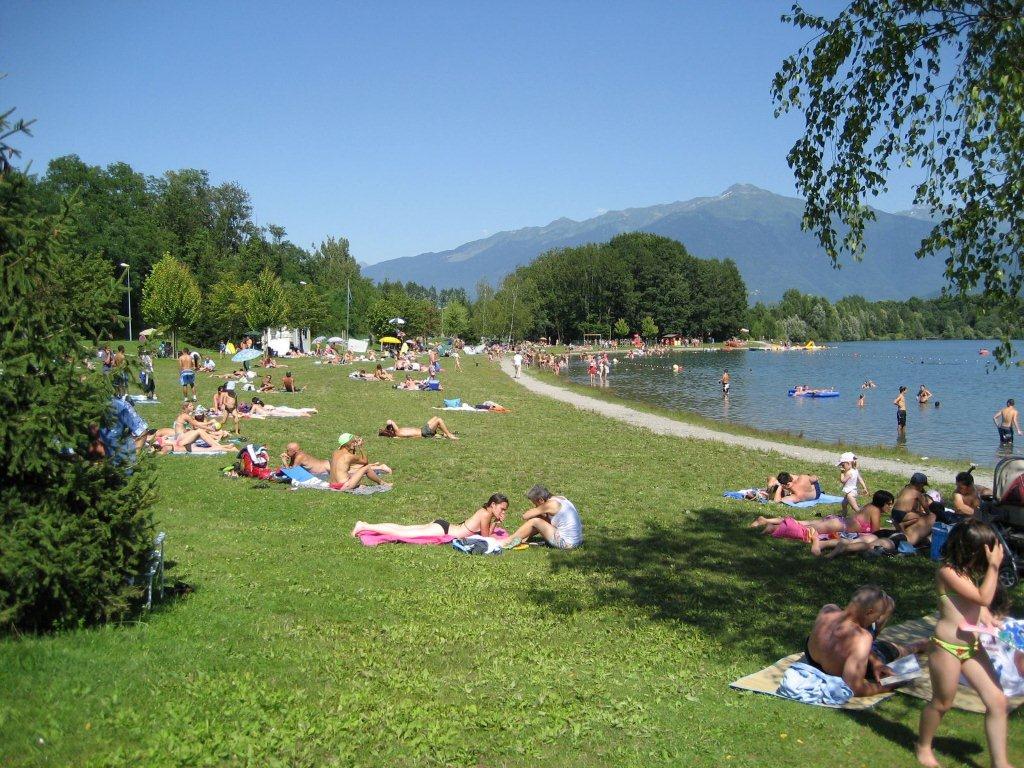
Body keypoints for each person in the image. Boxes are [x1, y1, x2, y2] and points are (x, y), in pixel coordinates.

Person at [916, 520, 1010, 768]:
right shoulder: (947, 571)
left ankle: (1000, 762)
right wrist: (993, 568)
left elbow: (976, 605)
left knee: (998, 701)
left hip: (971, 648)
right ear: (972, 550)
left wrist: (989, 619)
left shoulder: (967, 573)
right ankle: (923, 746)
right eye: (986, 551)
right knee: (942, 702)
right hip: (946, 647)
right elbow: (982, 596)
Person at [804, 585, 923, 697]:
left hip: (813, 659)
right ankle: (920, 645)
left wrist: (876, 663)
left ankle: (881, 656)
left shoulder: (828, 609)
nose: (876, 619)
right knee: (893, 649)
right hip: (838, 668)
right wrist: (889, 685)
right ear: (869, 612)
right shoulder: (863, 637)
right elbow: (854, 687)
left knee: (889, 602)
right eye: (878, 615)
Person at [351, 493, 509, 539]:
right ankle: (364, 526)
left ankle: (366, 524)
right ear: (493, 505)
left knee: (404, 529)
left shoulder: (484, 512)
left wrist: (496, 521)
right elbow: (486, 536)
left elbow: (483, 532)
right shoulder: (486, 515)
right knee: (402, 533)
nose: (503, 512)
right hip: (443, 531)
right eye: (502, 509)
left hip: (443, 525)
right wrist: (497, 523)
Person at [502, 485, 583, 550]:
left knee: (535, 521)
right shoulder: (560, 498)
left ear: (541, 500)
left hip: (566, 544)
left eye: (535, 504)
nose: (535, 506)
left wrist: (537, 511)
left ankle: (508, 541)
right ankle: (521, 539)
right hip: (577, 542)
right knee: (541, 519)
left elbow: (525, 516)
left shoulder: (551, 504)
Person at [891, 472, 933, 547]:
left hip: (894, 512)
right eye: (923, 485)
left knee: (915, 514)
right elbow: (925, 506)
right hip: (903, 514)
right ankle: (903, 524)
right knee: (919, 516)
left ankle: (900, 525)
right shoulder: (917, 493)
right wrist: (928, 513)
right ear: (920, 485)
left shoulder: (905, 489)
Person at [378, 417, 458, 440]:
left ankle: (446, 432)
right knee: (439, 420)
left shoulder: (397, 430)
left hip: (423, 429)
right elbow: (412, 437)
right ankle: (449, 435)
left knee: (435, 417)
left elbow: (390, 421)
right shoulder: (398, 434)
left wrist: (388, 426)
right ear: (391, 431)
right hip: (424, 432)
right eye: (391, 428)